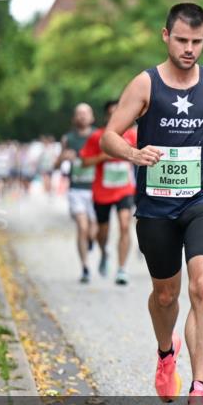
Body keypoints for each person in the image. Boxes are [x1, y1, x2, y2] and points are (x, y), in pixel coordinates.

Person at [101, 2, 203, 405]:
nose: (189, 49)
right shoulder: (145, 85)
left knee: (202, 287)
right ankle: (166, 354)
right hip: (156, 206)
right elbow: (109, 136)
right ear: (165, 35)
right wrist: (132, 151)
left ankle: (199, 392)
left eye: (197, 42)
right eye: (181, 40)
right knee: (166, 295)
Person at [80, 100, 137, 285]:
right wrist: (103, 156)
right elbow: (85, 162)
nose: (116, 116)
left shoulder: (131, 135)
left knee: (124, 225)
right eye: (111, 113)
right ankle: (104, 252)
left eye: (118, 112)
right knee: (102, 232)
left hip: (125, 189)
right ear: (106, 116)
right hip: (102, 191)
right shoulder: (98, 137)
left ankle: (122, 269)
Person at [55, 104, 99, 283]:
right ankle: (85, 267)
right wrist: (63, 157)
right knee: (82, 226)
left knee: (93, 230)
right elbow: (56, 166)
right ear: (74, 118)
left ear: (92, 117)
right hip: (76, 190)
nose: (82, 116)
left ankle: (90, 240)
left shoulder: (99, 135)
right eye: (79, 114)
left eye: (85, 113)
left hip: (96, 189)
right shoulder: (68, 139)